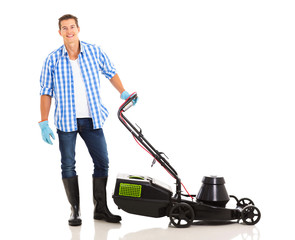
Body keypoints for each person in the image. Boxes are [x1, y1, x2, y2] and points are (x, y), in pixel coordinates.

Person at [38, 14, 136, 226]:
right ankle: (75, 210)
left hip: (93, 119)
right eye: (64, 28)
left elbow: (110, 72)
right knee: (68, 165)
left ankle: (100, 209)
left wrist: (123, 92)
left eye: (72, 27)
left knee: (102, 162)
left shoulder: (94, 51)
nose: (69, 31)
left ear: (78, 28)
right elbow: (45, 92)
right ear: (60, 32)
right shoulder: (52, 59)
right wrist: (43, 121)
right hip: (66, 121)